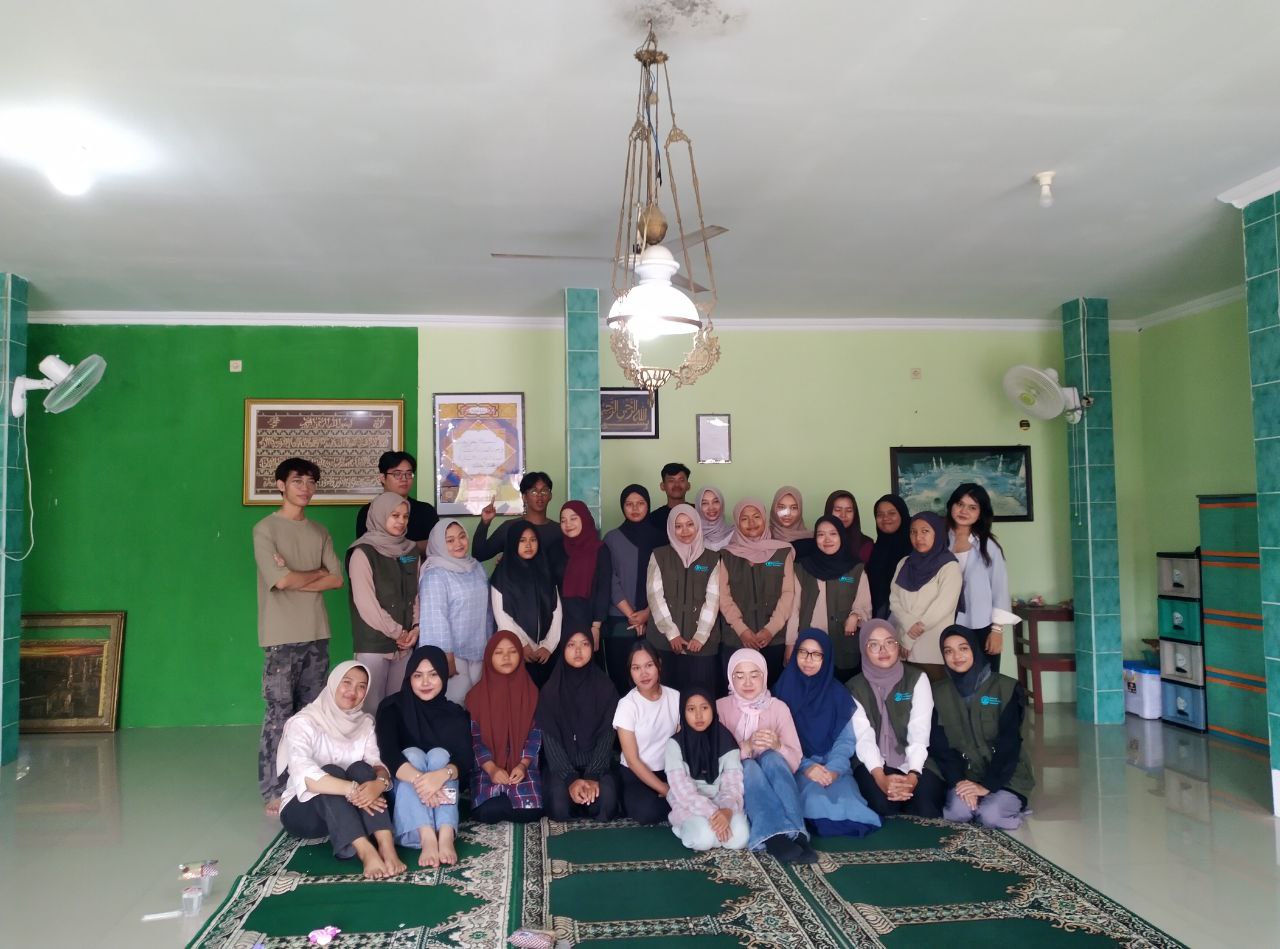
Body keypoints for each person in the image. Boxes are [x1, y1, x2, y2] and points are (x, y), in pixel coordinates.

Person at [253, 457, 344, 817]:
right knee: (279, 713)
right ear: (280, 485)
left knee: (312, 714)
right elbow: (280, 581)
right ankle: (274, 789)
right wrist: (313, 573)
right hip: (280, 636)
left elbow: (336, 579)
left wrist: (294, 575)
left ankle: (307, 781)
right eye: (297, 481)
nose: (305, 488)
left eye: (310, 482)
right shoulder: (265, 529)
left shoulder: (319, 531)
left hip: (317, 633)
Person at [277, 661, 405, 879]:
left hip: (351, 806)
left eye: (361, 686)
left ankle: (386, 846)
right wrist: (352, 789)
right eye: (347, 682)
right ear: (333, 683)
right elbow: (307, 777)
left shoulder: (364, 723)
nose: (353, 691)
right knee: (329, 771)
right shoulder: (303, 722)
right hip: (305, 812)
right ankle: (365, 851)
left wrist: (378, 784)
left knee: (361, 768)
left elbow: (375, 763)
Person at [775, 630, 880, 838]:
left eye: (816, 654)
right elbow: (779, 742)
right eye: (803, 652)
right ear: (795, 654)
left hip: (834, 765)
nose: (808, 660)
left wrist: (833, 770)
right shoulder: (780, 692)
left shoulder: (838, 693)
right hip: (796, 765)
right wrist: (807, 767)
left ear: (827, 658)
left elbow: (846, 740)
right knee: (815, 799)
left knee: (850, 801)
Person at [374, 646, 472, 868]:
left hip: (442, 793)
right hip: (405, 796)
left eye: (433, 674)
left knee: (439, 755)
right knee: (412, 754)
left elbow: (465, 759)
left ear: (443, 676)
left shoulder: (454, 713)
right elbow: (388, 754)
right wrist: (424, 782)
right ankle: (426, 836)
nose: (425, 682)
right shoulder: (391, 707)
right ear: (409, 677)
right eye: (418, 675)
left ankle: (445, 835)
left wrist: (439, 776)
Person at [717, 648, 816, 863]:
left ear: (764, 676)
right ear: (731, 678)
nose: (747, 682)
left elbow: (795, 759)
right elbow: (717, 759)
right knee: (750, 766)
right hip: (736, 779)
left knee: (772, 757)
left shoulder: (778, 708)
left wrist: (778, 746)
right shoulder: (720, 708)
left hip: (774, 775)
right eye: (739, 676)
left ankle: (798, 834)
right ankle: (773, 837)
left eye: (754, 675)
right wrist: (746, 746)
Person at [931, 625, 1033, 829]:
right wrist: (959, 781)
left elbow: (1009, 743)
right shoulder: (938, 693)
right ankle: (980, 803)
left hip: (1006, 775)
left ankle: (1008, 808)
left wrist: (987, 786)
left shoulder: (1005, 688)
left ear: (975, 650)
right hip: (965, 775)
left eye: (963, 648)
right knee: (957, 813)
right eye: (948, 651)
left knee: (990, 816)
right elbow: (940, 747)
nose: (956, 656)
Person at [847, 620, 945, 818]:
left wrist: (913, 775)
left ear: (897, 645)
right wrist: (880, 778)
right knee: (881, 805)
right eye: (874, 644)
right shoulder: (854, 687)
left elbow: (919, 731)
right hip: (872, 762)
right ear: (864, 649)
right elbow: (864, 737)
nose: (883, 650)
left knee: (925, 806)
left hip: (914, 759)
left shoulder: (917, 678)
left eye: (889, 642)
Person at [345, 491, 419, 711]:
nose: (401, 521)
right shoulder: (363, 552)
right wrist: (398, 632)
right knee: (369, 708)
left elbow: (416, 594)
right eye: (394, 515)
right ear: (379, 515)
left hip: (405, 644)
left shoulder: (411, 550)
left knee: (396, 708)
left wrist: (416, 628)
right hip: (374, 645)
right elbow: (366, 603)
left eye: (405, 516)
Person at [537, 631, 620, 822]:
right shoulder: (551, 690)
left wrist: (592, 775)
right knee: (559, 804)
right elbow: (550, 738)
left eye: (584, 644)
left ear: (592, 647)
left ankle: (588, 795)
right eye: (571, 645)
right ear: (562, 649)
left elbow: (608, 734)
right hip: (561, 769)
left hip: (597, 766)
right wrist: (570, 779)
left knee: (606, 802)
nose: (578, 651)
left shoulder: (605, 687)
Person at [466, 631, 544, 823]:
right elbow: (475, 740)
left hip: (522, 768)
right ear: (489, 657)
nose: (506, 657)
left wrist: (523, 765)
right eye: (499, 652)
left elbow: (535, 734)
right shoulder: (475, 697)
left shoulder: (531, 693)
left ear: (520, 655)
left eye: (512, 651)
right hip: (488, 769)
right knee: (488, 810)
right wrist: (492, 769)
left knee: (530, 811)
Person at [717, 499, 797, 687]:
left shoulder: (782, 552)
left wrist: (770, 630)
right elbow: (723, 597)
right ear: (737, 522)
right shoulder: (726, 555)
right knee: (739, 691)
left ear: (765, 518)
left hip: (773, 639)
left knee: (772, 691)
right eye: (744, 518)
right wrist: (742, 630)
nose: (751, 523)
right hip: (736, 639)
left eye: (756, 517)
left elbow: (788, 593)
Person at [646, 504, 722, 694]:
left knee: (700, 696)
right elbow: (655, 596)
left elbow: (713, 600)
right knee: (666, 696)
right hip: (664, 643)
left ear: (697, 525)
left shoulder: (712, 559)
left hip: (702, 645)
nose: (685, 531)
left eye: (689, 524)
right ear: (671, 529)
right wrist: (672, 633)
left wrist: (700, 636)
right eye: (678, 526)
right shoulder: (659, 555)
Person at [664, 686, 749, 851]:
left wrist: (726, 810)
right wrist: (713, 814)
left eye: (704, 708)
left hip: (721, 802)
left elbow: (733, 784)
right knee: (703, 839)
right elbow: (683, 792)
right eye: (691, 709)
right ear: (683, 712)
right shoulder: (674, 745)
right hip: (688, 805)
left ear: (712, 709)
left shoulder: (726, 740)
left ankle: (713, 832)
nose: (698, 715)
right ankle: (683, 828)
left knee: (740, 838)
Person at [787, 516, 870, 682]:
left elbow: (864, 605)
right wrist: (790, 644)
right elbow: (794, 610)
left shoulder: (855, 568)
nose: (827, 540)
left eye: (833, 534)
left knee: (842, 689)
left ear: (841, 537)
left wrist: (855, 616)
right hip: (809, 646)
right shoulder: (802, 567)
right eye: (821, 534)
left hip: (842, 645)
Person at [602, 485, 667, 696]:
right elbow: (609, 579)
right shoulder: (612, 538)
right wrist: (632, 615)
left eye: (640, 503)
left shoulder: (661, 538)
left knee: (652, 678)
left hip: (655, 620)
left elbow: (666, 580)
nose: (635, 508)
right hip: (620, 619)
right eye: (629, 504)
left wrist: (647, 613)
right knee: (621, 678)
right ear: (623, 507)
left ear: (648, 505)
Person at [419, 519, 493, 703]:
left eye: (461, 537)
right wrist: (445, 657)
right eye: (450, 540)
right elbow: (435, 619)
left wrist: (490, 643)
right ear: (439, 543)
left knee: (477, 702)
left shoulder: (476, 567)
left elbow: (487, 609)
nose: (458, 543)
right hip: (452, 653)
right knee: (456, 701)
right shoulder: (435, 574)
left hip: (479, 647)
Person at [946, 483, 1012, 675]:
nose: (964, 511)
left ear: (980, 512)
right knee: (951, 681)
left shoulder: (988, 547)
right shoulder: (939, 540)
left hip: (980, 624)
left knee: (985, 681)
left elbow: (1000, 590)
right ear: (951, 505)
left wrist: (997, 631)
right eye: (960, 504)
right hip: (946, 623)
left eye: (972, 507)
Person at [613, 640, 681, 824]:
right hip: (636, 773)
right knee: (647, 812)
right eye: (636, 668)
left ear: (659, 664)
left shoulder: (675, 697)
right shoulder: (627, 705)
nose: (643, 673)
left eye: (649, 665)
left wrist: (677, 784)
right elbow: (632, 760)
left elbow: (682, 743)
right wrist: (666, 790)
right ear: (630, 672)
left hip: (669, 771)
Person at [888, 512, 962, 680]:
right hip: (903, 648)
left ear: (937, 533)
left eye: (925, 531)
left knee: (935, 691)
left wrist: (909, 638)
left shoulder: (949, 566)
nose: (918, 537)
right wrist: (907, 628)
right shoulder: (904, 563)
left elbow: (942, 608)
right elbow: (894, 600)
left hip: (931, 650)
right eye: (913, 532)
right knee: (906, 692)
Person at [490, 521, 563, 687]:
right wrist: (521, 645)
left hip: (546, 654)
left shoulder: (546, 570)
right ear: (513, 542)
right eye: (522, 540)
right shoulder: (502, 575)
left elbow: (556, 610)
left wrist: (548, 646)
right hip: (515, 651)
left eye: (533, 540)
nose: (528, 545)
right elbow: (502, 617)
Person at [554, 501, 613, 653]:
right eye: (563, 520)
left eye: (573, 518)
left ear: (584, 519)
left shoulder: (600, 549)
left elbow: (604, 589)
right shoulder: (556, 549)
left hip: (591, 622)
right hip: (562, 623)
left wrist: (596, 626)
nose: (568, 524)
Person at [354, 451, 438, 556]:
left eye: (408, 474)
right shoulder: (368, 512)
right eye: (397, 474)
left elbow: (438, 546)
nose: (404, 479)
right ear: (383, 478)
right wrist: (413, 547)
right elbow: (367, 549)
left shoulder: (426, 510)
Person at [472, 471, 562, 562]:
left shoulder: (559, 530)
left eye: (544, 491)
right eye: (534, 491)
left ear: (550, 496)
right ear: (524, 497)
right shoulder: (510, 527)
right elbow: (479, 555)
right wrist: (485, 522)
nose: (539, 495)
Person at [866, 494, 912, 620]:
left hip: (909, 619)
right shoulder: (873, 549)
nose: (885, 518)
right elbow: (855, 580)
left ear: (902, 514)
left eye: (892, 513)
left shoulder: (915, 548)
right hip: (876, 616)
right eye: (880, 514)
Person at [824, 490, 874, 564]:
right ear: (829, 512)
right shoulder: (820, 541)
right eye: (838, 510)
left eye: (849, 510)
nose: (843, 515)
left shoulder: (866, 545)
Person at [647, 462, 691, 533]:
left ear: (688, 486)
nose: (677, 485)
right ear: (662, 486)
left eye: (681, 480)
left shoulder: (698, 512)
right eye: (671, 481)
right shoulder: (653, 518)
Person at [697, 486, 733, 551]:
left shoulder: (734, 535)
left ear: (722, 503)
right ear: (699, 507)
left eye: (716, 501)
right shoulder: (692, 536)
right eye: (705, 503)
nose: (711, 508)